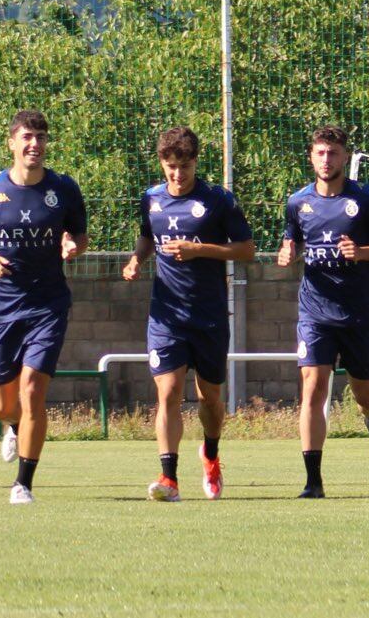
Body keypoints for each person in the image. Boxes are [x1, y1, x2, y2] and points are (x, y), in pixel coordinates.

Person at [123, 125, 256, 502]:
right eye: (170, 165)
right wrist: (136, 259)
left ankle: (211, 455)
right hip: (166, 314)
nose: (177, 174)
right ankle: (169, 479)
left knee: (210, 399)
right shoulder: (150, 198)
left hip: (209, 314)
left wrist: (201, 250)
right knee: (167, 393)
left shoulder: (218, 200)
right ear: (162, 163)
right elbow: (148, 236)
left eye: (184, 165)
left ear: (196, 162)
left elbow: (246, 249)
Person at [0, 109, 89, 504]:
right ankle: (12, 426)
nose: (35, 144)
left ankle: (23, 483)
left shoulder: (64, 188)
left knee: (33, 389)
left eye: (41, 137)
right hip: (2, 307)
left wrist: (72, 246)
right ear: (12, 143)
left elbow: (79, 235)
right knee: (1, 404)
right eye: (27, 137)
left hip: (48, 305)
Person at [277, 126, 369, 499]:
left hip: (358, 312)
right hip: (314, 311)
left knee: (365, 393)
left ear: (345, 157)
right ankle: (313, 481)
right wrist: (289, 253)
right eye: (320, 153)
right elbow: (293, 240)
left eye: (333, 153)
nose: (326, 160)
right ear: (311, 157)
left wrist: (363, 252)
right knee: (313, 388)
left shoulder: (365, 200)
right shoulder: (298, 202)